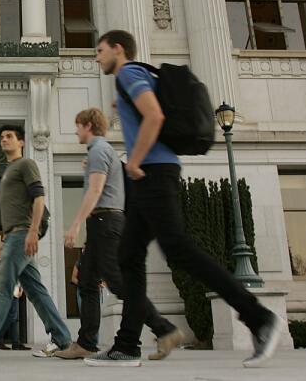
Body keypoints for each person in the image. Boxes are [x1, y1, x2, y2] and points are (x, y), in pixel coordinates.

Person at [86, 31, 283, 368]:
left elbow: (155, 116)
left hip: (154, 173)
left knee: (178, 249)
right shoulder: (143, 74)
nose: (97, 57)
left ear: (118, 49)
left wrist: (133, 161)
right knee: (128, 257)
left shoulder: (130, 73)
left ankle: (258, 317)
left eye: (101, 51)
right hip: (154, 174)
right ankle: (127, 345)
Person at [55, 107, 187, 361]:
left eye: (78, 125)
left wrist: (74, 225)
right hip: (103, 223)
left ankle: (165, 329)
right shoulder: (102, 152)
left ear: (88, 126)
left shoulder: (99, 151)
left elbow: (95, 192)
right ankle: (85, 343)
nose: (75, 131)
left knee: (116, 282)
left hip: (105, 221)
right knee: (86, 282)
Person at [0, 125, 72, 358]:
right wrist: (6, 237)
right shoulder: (9, 170)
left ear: (22, 142)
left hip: (23, 234)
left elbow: (39, 197)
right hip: (14, 235)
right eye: (1, 137)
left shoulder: (26, 165)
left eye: (9, 136)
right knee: (37, 292)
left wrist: (32, 231)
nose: (4, 140)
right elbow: (16, 208)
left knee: (3, 286)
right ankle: (63, 339)